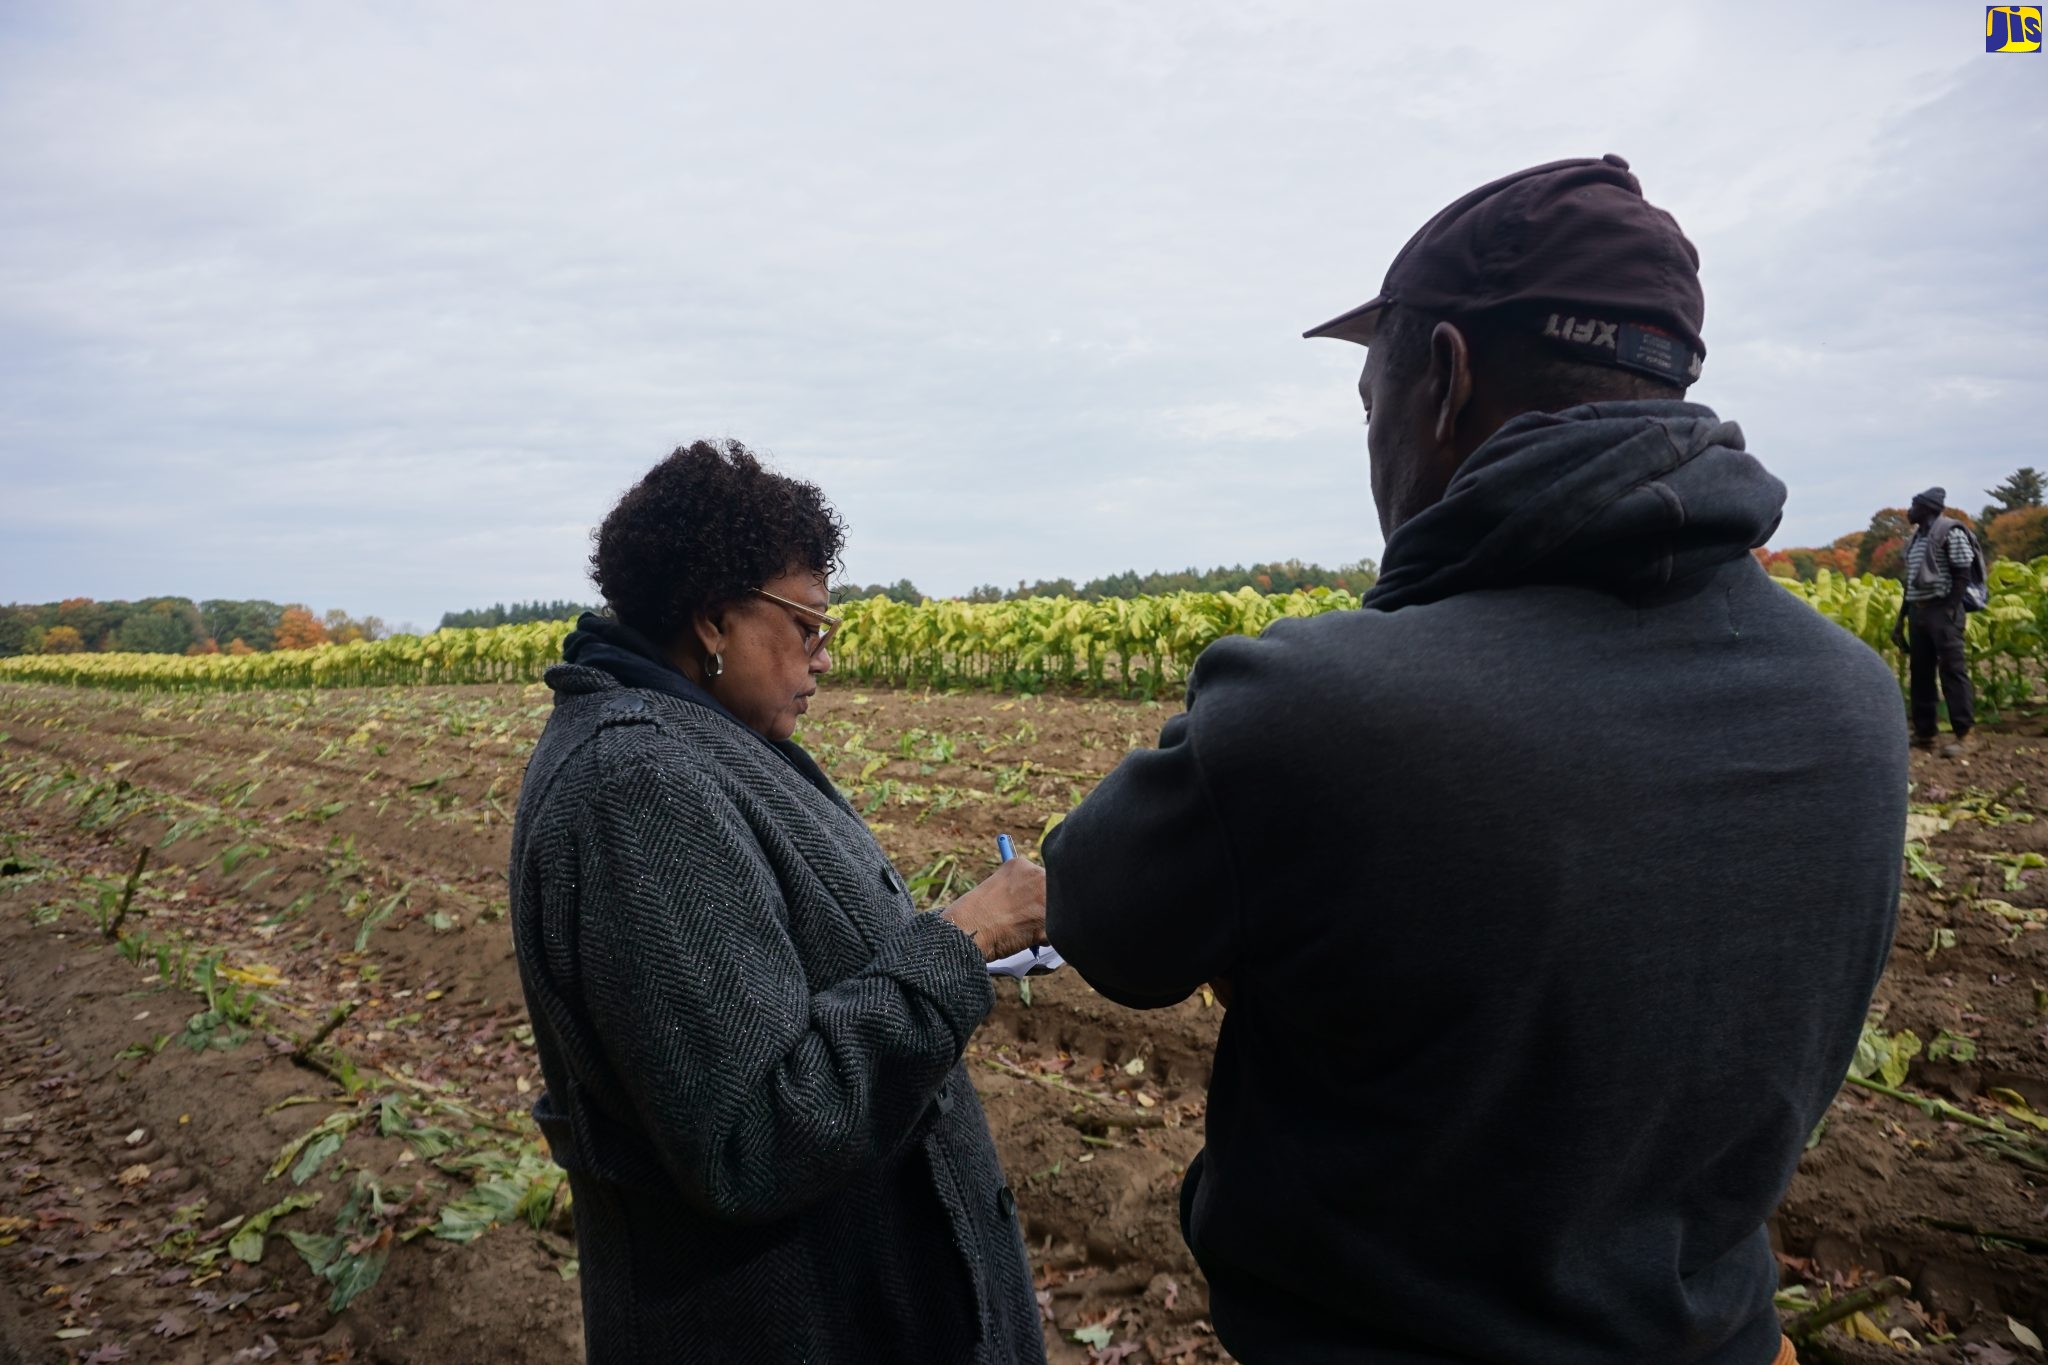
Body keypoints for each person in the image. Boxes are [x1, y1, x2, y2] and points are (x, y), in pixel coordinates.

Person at [1043, 157, 1906, 1365]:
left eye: (1368, 404)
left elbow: (1102, 918)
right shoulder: (1857, 702)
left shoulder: (1318, 704)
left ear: (1441, 381)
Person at [510, 439, 1048, 1365]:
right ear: (715, 618)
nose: (824, 658)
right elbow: (753, 1132)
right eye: (808, 626)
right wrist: (966, 936)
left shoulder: (695, 742)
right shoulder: (637, 784)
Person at [1889, 487, 1982, 756]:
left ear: (1927, 508)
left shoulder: (1950, 533)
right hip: (1919, 612)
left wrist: (1951, 610)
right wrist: (1900, 621)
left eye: (1914, 505)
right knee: (1921, 674)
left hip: (1942, 610)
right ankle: (1925, 733)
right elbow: (1911, 585)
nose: (1909, 510)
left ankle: (1966, 735)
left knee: (1952, 671)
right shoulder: (1916, 540)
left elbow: (1962, 574)